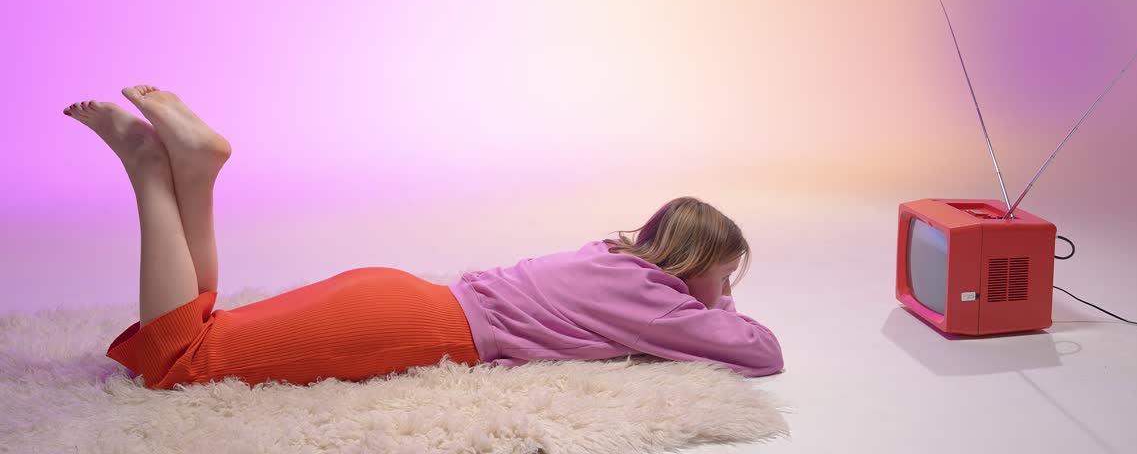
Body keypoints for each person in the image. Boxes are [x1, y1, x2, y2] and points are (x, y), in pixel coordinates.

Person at [65, 86, 784, 390]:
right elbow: (762, 352)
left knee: (203, 328)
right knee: (177, 365)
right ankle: (148, 170)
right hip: (414, 325)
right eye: (725, 273)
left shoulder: (606, 258)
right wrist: (713, 306)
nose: (727, 292)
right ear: (690, 264)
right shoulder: (657, 302)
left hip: (398, 290)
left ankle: (194, 174)